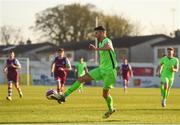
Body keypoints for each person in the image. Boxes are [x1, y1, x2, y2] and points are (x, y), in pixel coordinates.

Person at [52, 26, 117, 119]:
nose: (95, 35)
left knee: (105, 94)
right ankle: (64, 96)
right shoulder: (101, 42)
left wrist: (96, 49)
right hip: (101, 69)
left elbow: (109, 47)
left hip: (110, 72)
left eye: (97, 33)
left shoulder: (107, 40)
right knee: (81, 79)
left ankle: (111, 109)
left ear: (103, 32)